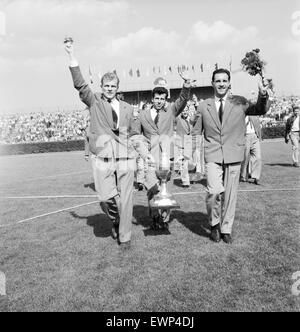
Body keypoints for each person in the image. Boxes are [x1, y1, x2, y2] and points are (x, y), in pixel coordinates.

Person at [64, 39, 137, 249]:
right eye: (106, 86)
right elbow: (79, 83)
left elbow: (133, 133)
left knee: (127, 199)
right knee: (106, 198)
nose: (110, 89)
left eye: (113, 86)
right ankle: (115, 219)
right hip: (103, 157)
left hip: (125, 157)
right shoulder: (94, 101)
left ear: (118, 87)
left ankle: (125, 237)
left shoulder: (127, 108)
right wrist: (71, 56)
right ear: (101, 86)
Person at [192, 68, 271, 244]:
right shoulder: (204, 105)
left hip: (234, 154)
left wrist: (263, 93)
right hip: (212, 154)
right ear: (212, 83)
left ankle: (226, 228)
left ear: (229, 83)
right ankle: (214, 224)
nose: (221, 84)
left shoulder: (239, 102)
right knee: (213, 192)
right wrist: (195, 153)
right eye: (217, 81)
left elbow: (260, 109)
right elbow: (196, 132)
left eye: (224, 80)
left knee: (230, 195)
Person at [131, 69, 195, 229]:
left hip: (168, 156)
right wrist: (143, 153)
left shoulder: (171, 110)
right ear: (152, 99)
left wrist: (186, 84)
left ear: (165, 98)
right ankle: (154, 217)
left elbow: (182, 99)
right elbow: (135, 135)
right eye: (156, 98)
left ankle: (164, 220)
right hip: (150, 157)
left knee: (167, 190)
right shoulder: (142, 115)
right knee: (152, 188)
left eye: (162, 98)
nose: (159, 101)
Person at [240, 115, 262, 184]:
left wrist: (259, 136)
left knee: (258, 157)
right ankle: (242, 175)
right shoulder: (241, 114)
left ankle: (256, 177)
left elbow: (258, 125)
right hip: (245, 136)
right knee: (245, 157)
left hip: (255, 136)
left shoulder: (254, 115)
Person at [285, 103, 300, 167]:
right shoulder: (290, 119)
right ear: (293, 112)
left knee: (296, 148)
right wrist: (287, 136)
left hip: (299, 133)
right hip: (293, 133)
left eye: (298, 111)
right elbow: (287, 128)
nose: (296, 112)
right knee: (296, 147)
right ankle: (296, 161)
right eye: (295, 111)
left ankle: (295, 162)